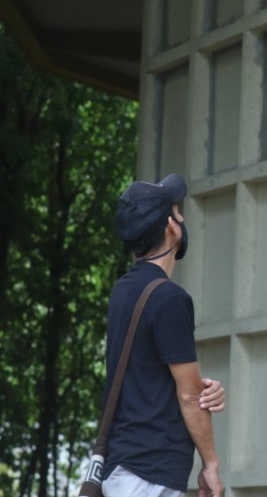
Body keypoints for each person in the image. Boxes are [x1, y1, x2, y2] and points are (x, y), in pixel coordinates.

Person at [103, 174, 227, 497]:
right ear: (171, 227)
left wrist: (203, 389)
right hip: (149, 474)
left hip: (124, 467)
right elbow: (189, 396)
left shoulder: (123, 291)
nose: (182, 218)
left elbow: (150, 377)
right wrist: (211, 464)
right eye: (177, 211)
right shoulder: (169, 299)